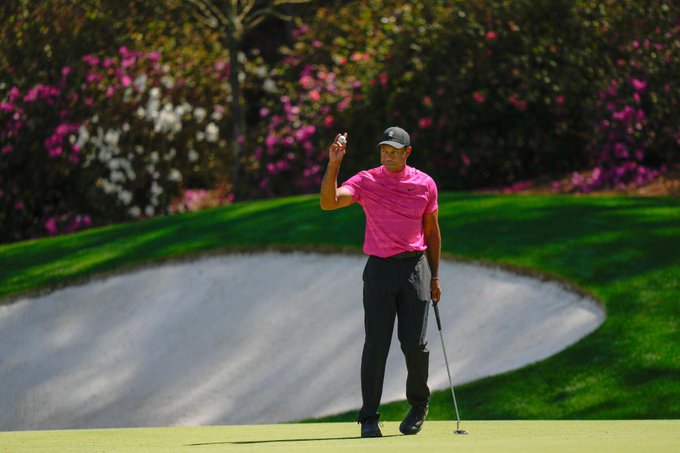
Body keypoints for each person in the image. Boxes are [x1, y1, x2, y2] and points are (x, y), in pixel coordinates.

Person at [320, 126, 442, 438]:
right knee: (376, 345)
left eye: (394, 150)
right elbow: (329, 203)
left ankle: (418, 404)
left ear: (407, 152)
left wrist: (435, 275)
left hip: (416, 268)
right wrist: (334, 164)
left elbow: (432, 231)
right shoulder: (366, 180)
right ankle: (369, 418)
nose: (387, 155)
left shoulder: (425, 184)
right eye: (384, 150)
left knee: (414, 344)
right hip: (379, 271)